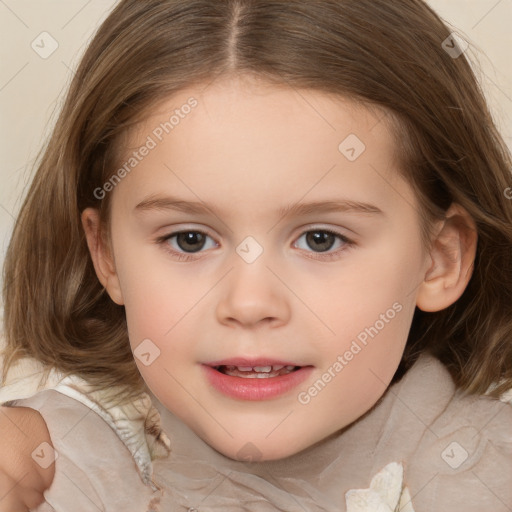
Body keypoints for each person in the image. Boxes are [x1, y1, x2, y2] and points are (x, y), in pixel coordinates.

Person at [1, 0, 511, 510]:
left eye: (321, 240)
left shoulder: (484, 480)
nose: (249, 303)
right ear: (107, 257)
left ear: (439, 259)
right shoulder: (48, 466)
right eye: (190, 240)